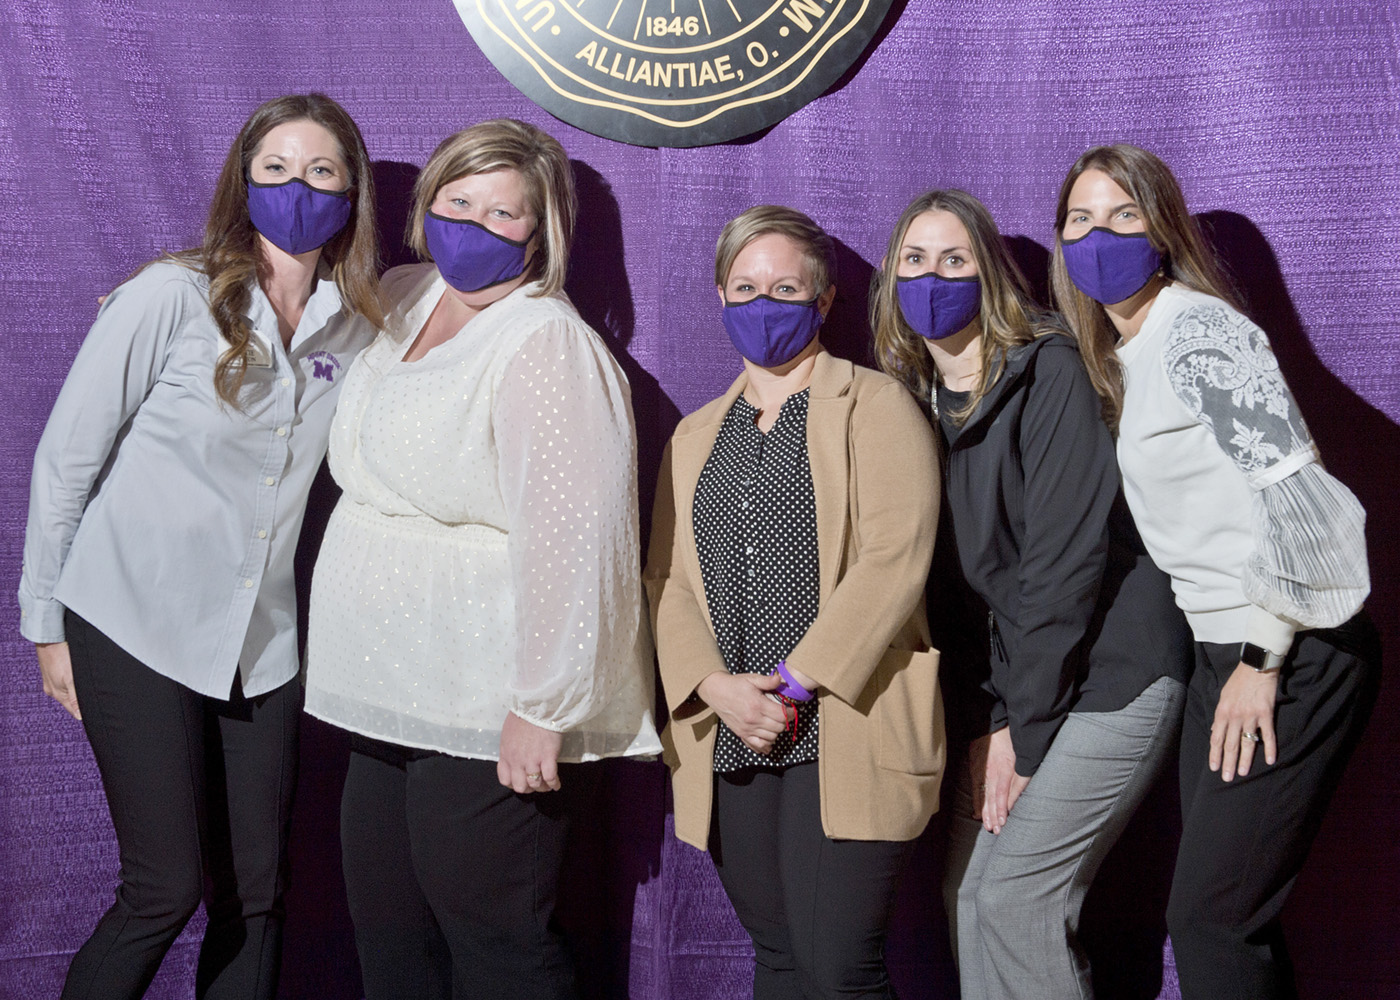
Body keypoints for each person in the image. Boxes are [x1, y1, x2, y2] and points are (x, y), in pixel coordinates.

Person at [17, 93, 382, 999]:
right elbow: (66, 461)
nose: (299, 187)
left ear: (351, 191)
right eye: (277, 170)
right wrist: (45, 625)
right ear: (242, 179)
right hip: (129, 620)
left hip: (261, 644)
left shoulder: (365, 326)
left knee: (258, 895)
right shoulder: (169, 296)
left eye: (322, 172)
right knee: (165, 887)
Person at [301, 118, 659, 1000]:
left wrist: (545, 703)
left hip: (479, 693)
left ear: (541, 234)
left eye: (505, 213)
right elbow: (291, 359)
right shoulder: (402, 291)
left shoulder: (546, 342)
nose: (476, 224)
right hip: (381, 683)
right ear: (426, 204)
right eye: (459, 200)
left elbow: (579, 539)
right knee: (392, 944)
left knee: (496, 948)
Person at [1051, 144, 1379, 1000]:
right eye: (1081, 219)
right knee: (1226, 917)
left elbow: (1307, 502)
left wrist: (1260, 661)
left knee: (1212, 919)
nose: (1100, 235)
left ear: (1162, 232)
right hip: (1220, 650)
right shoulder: (1133, 349)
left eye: (1125, 215)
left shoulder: (1198, 331)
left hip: (1283, 645)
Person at [870, 188, 1191, 999]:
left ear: (990, 277)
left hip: (1111, 673)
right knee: (968, 897)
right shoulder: (909, 405)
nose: (932, 277)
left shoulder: (1048, 369)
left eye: (954, 260)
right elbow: (952, 605)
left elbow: (1060, 572)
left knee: (1015, 900)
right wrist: (987, 725)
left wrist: (1023, 727)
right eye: (914, 261)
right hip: (1018, 692)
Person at [644, 205, 942, 1000]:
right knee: (776, 958)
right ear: (719, 294)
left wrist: (794, 685)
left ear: (825, 300)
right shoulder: (696, 434)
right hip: (736, 729)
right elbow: (667, 582)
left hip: (841, 719)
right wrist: (717, 691)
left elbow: (894, 560)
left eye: (784, 287)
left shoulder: (875, 406)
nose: (762, 302)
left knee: (839, 964)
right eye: (745, 286)